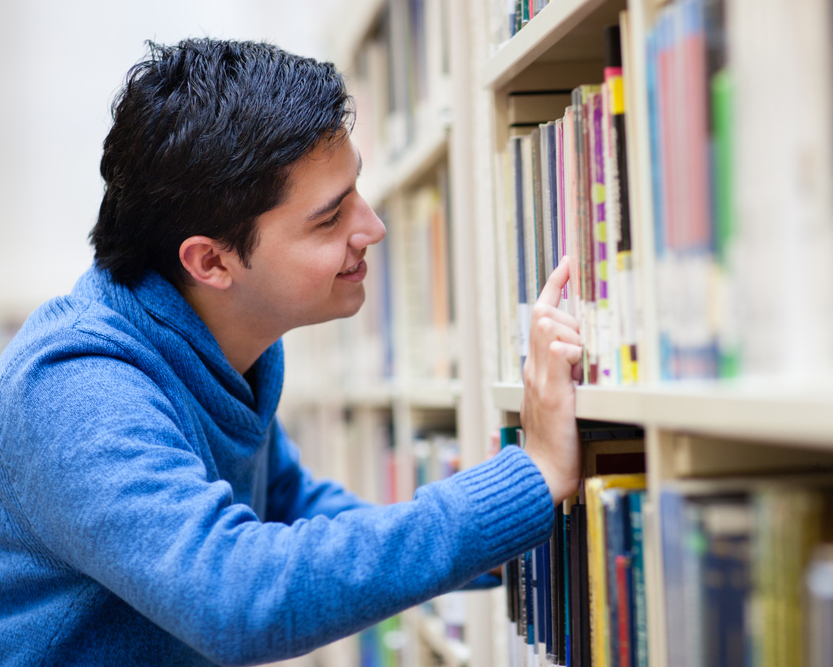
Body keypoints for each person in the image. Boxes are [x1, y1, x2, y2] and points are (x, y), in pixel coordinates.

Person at [0, 39, 583, 665]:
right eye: (330, 219)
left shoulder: (221, 348)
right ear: (211, 261)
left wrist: (504, 537)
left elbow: (292, 508)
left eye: (355, 188)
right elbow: (237, 598)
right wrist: (532, 476)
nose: (374, 227)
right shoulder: (80, 389)